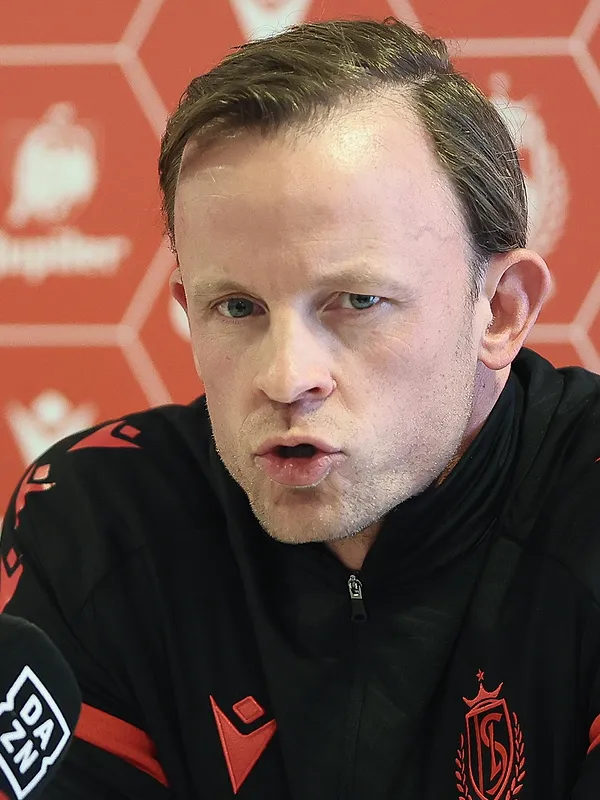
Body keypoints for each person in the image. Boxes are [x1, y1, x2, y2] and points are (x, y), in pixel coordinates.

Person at [1, 15, 599, 799]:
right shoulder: (100, 517)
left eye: (357, 300)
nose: (287, 377)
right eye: (237, 308)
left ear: (500, 311)